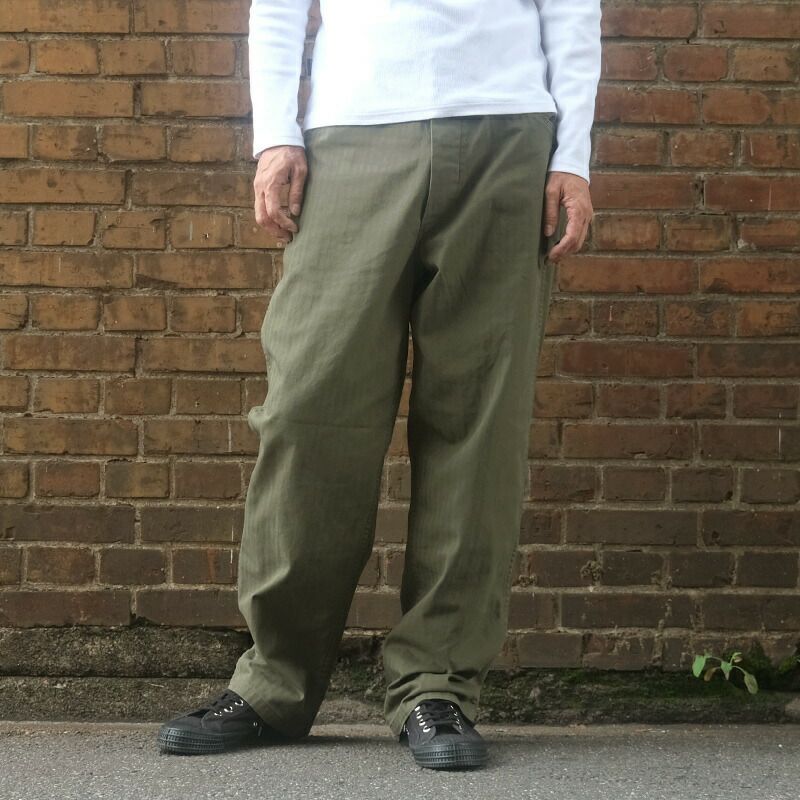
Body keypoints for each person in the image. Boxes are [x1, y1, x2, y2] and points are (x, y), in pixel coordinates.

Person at [158, 0, 601, 770]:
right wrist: (276, 135)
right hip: (350, 133)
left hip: (506, 132)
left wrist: (573, 155)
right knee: (308, 407)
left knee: (477, 422)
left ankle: (438, 681)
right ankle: (274, 682)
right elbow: (278, 9)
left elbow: (571, 9)